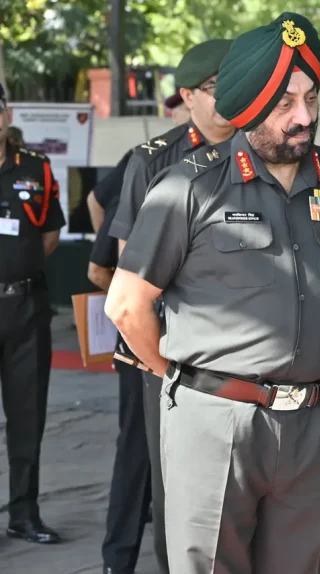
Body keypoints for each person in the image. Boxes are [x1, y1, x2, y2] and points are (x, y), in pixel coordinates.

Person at [104, 12, 320, 573]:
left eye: (311, 98)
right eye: (284, 104)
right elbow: (126, 304)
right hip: (215, 423)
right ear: (248, 109)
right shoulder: (189, 184)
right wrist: (186, 379)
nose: (304, 117)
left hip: (311, 422)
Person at [106, 38, 235, 574]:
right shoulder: (154, 160)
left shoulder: (258, 151)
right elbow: (127, 270)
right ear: (187, 95)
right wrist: (163, 359)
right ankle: (121, 559)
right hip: (157, 348)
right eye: (215, 88)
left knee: (222, 479)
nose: (229, 97)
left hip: (228, 348)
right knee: (148, 462)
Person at [0, 82, 65, 544]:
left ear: (7, 114)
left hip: (25, 307)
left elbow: (49, 233)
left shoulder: (36, 170)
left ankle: (23, 514)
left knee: (28, 417)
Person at [87, 155, 153, 574]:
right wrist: (142, 315)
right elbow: (100, 268)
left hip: (209, 346)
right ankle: (119, 560)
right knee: (137, 450)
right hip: (145, 344)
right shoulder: (147, 161)